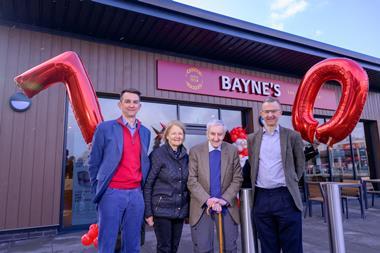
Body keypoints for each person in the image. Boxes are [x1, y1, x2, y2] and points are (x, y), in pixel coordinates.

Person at [88, 88, 151, 253]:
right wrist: (99, 187)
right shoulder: (105, 128)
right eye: (127, 101)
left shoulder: (145, 132)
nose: (131, 105)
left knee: (133, 243)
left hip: (136, 194)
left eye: (135, 102)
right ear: (120, 104)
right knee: (107, 242)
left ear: (140, 106)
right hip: (112, 193)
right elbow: (94, 161)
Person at [248, 97, 305, 253]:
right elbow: (253, 165)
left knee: (292, 246)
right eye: (267, 111)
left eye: (274, 111)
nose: (270, 114)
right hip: (261, 198)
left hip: (286, 196)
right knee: (268, 247)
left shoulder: (293, 136)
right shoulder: (252, 139)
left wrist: (291, 181)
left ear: (280, 113)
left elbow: (300, 166)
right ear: (261, 113)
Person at [187, 119, 243, 253]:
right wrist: (208, 200)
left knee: (229, 248)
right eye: (213, 134)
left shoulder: (232, 151)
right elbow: (191, 180)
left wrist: (224, 199)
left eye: (220, 134)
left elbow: (237, 178)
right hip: (202, 205)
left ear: (224, 135)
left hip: (226, 206)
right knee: (203, 249)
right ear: (207, 134)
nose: (216, 138)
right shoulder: (196, 151)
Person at [144, 120, 189, 253]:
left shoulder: (186, 156)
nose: (177, 136)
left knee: (174, 248)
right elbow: (148, 185)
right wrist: (148, 212)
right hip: (161, 210)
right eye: (173, 133)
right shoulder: (158, 154)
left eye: (180, 133)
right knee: (164, 248)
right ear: (167, 135)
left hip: (179, 210)